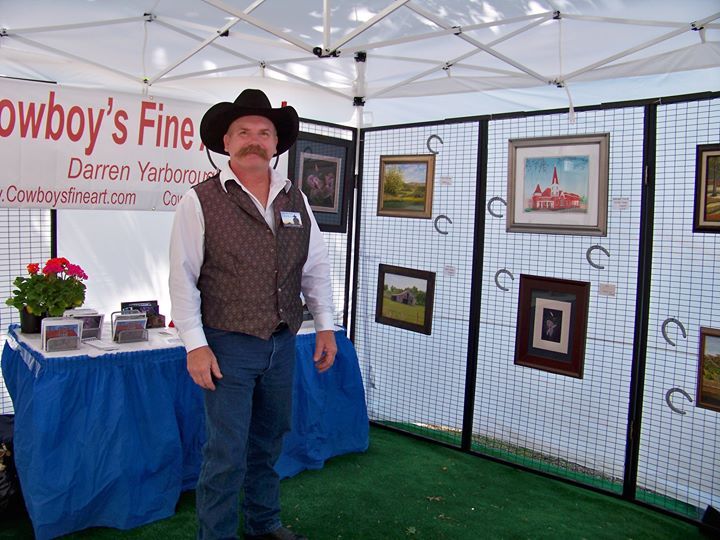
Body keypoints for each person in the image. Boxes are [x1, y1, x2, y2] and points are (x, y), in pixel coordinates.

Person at [169, 88, 337, 540]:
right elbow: (181, 278)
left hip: (282, 343)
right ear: (225, 142)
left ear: (275, 144)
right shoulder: (199, 200)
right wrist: (195, 345)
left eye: (264, 133)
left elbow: (315, 268)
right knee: (225, 453)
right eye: (244, 131)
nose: (254, 140)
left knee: (267, 443)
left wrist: (325, 326)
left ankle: (263, 526)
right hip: (227, 345)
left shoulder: (296, 199)